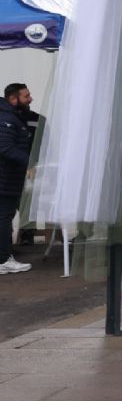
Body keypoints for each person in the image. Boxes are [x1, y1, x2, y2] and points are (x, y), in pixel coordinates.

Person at [1, 83, 37, 274]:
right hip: (5, 179)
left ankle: (4, 257)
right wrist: (30, 163)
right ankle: (3, 260)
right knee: (4, 218)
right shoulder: (6, 119)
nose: (30, 99)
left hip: (9, 178)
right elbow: (6, 147)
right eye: (26, 96)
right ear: (13, 99)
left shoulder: (14, 117)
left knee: (5, 217)